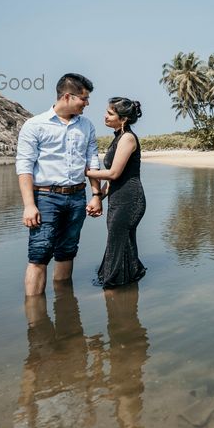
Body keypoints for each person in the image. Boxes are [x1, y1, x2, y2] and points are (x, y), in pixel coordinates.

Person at [16, 73, 104, 296]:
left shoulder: (86, 126)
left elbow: (92, 161)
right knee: (39, 254)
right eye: (84, 98)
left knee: (67, 252)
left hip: (76, 197)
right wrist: (29, 205)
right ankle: (36, 321)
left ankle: (65, 307)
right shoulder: (34, 125)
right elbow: (24, 166)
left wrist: (95, 195)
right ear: (67, 96)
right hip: (45, 198)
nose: (87, 103)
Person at [86, 97, 146, 288]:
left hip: (130, 199)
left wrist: (84, 171)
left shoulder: (128, 138)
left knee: (117, 239)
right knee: (122, 241)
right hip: (118, 198)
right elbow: (113, 179)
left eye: (110, 113)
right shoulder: (118, 138)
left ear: (124, 119)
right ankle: (128, 281)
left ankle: (115, 284)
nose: (105, 116)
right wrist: (98, 198)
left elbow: (113, 173)